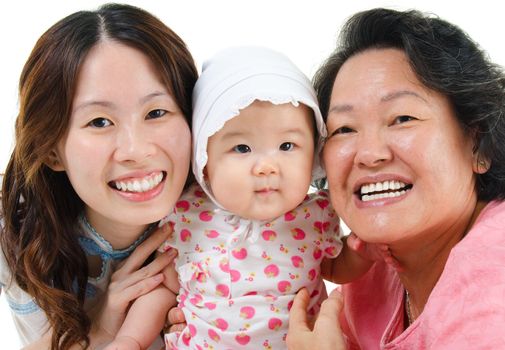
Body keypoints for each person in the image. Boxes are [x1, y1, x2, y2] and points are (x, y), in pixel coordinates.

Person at [108, 46, 378, 350]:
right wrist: (129, 339)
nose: (266, 167)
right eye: (242, 149)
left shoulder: (316, 215)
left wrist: (359, 254)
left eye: (287, 146)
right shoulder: (187, 213)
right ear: (204, 163)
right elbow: (165, 288)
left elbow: (333, 268)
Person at [286, 7, 505, 349]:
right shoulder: (372, 267)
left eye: (402, 118)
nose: (370, 153)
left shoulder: (495, 279)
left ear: (479, 145)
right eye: (344, 129)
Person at [0, 3, 198, 349]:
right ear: (51, 150)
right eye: (99, 122)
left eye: (156, 112)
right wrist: (99, 328)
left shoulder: (232, 222)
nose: (135, 149)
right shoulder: (14, 229)